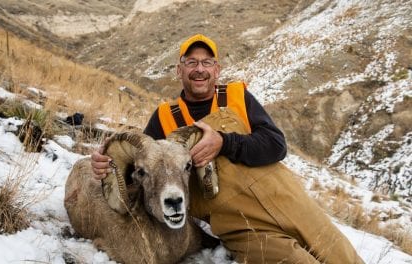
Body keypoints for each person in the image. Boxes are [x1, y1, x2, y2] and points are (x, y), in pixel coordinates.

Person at [91, 34, 364, 264]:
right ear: (179, 70)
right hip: (238, 226)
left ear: (217, 70)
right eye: (192, 62)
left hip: (284, 198)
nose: (200, 69)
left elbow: (276, 145)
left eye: (207, 62)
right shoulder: (163, 117)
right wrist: (107, 166)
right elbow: (143, 171)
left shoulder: (237, 96)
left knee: (341, 255)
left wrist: (225, 142)